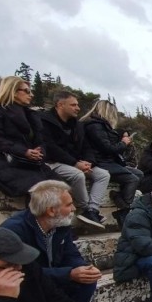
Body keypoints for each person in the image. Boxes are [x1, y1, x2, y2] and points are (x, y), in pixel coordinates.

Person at [0, 180, 102, 302]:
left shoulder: (60, 225)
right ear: (52, 211)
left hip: (51, 278)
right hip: (26, 285)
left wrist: (83, 269)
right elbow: (22, 272)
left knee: (87, 281)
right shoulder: (14, 230)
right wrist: (68, 274)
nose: (73, 209)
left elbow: (71, 254)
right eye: (69, 205)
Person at [40, 90, 110, 228]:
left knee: (103, 175)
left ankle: (92, 209)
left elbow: (86, 147)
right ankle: (85, 209)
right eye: (73, 105)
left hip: (76, 162)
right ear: (60, 105)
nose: (78, 108)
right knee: (77, 176)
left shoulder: (77, 125)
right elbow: (51, 148)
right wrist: (75, 163)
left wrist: (89, 162)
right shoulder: (44, 121)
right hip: (53, 162)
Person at [0, 76, 58, 197]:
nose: (31, 95)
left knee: (60, 187)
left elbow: (40, 139)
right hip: (5, 160)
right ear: (13, 91)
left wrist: (39, 150)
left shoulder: (30, 114)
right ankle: (30, 216)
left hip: (29, 162)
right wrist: (24, 151)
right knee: (40, 190)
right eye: (27, 91)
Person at [81, 100, 143, 228]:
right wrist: (124, 143)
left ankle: (119, 198)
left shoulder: (101, 126)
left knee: (139, 173)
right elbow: (108, 148)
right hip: (101, 162)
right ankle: (124, 211)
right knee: (132, 178)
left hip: (108, 162)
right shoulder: (95, 126)